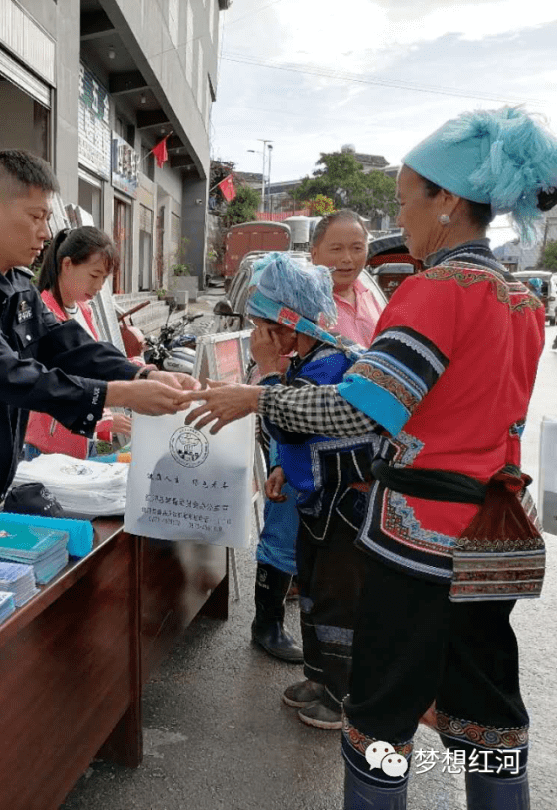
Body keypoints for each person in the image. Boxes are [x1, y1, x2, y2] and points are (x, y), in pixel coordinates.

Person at [184, 107, 555, 809]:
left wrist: (255, 400)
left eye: (409, 197)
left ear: (446, 201)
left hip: (422, 540)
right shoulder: (521, 297)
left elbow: (361, 410)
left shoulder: (437, 290)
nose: (403, 215)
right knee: (492, 715)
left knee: (380, 720)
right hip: (496, 535)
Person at [0, 149, 198, 573]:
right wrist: (122, 394)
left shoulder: (17, 285)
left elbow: (68, 344)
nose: (46, 232)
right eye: (36, 216)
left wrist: (142, 372)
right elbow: (11, 375)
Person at [245, 253, 380, 731]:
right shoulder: (307, 360)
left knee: (340, 599)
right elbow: (294, 444)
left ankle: (341, 695)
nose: (259, 337)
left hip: (344, 507)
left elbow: (292, 424)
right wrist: (283, 470)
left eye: (265, 326)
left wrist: (265, 371)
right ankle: (320, 677)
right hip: (314, 500)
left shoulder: (330, 366)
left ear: (289, 326)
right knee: (314, 592)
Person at [24, 226, 135, 459]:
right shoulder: (43, 314)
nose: (98, 286)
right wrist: (104, 419)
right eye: (94, 276)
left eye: (104, 278)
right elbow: (54, 387)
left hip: (81, 439)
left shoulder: (84, 309)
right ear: (67, 265)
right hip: (49, 446)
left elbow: (89, 368)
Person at [310, 209, 384, 348]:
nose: (347, 259)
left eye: (357, 248)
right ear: (314, 254)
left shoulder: (368, 295)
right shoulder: (305, 304)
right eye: (337, 249)